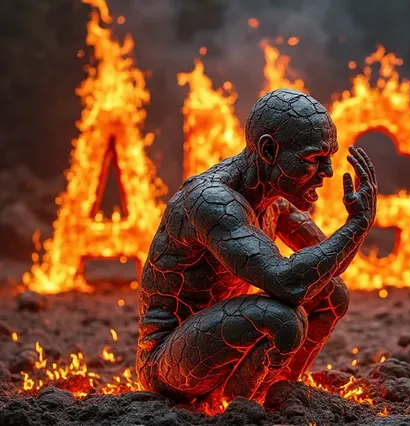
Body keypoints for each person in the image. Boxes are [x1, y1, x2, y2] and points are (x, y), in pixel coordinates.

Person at [135, 88, 377, 405]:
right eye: (313, 159)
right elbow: (289, 283)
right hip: (167, 364)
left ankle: (275, 395)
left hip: (221, 345)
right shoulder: (212, 200)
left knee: (333, 293)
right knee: (283, 319)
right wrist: (356, 225)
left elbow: (328, 266)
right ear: (269, 150)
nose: (327, 173)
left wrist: (357, 227)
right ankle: (238, 408)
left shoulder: (273, 200)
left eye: (328, 158)